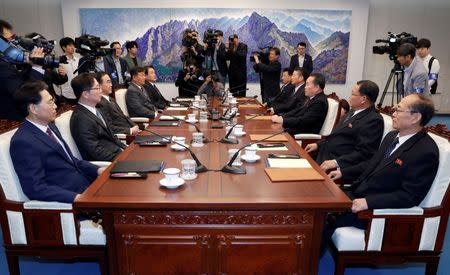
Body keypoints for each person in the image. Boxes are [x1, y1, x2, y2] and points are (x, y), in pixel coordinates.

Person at [322, 94, 439, 254]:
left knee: (321, 220)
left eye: (398, 109)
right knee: (318, 203)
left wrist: (368, 202)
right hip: (356, 193)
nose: (393, 113)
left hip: (375, 212)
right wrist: (343, 171)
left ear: (415, 117)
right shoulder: (392, 136)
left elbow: (410, 196)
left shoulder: (425, 151)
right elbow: (371, 166)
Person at [10, 80, 104, 203]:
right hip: (71, 203)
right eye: (50, 102)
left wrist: (98, 170)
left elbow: (71, 161)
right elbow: (35, 188)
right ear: (33, 108)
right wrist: (76, 198)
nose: (55, 106)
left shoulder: (51, 127)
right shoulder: (23, 141)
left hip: (88, 186)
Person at [305, 80, 384, 183]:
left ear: (363, 99)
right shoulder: (353, 111)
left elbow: (364, 153)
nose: (349, 96)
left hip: (337, 166)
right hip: (323, 154)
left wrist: (336, 162)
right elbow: (336, 136)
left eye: (352, 94)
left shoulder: (373, 120)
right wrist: (318, 145)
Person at [0, 20, 63, 120]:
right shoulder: (2, 66)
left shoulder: (8, 62)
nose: (13, 43)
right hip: (13, 123)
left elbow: (22, 81)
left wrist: (31, 64)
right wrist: (36, 66)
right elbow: (22, 94)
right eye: (9, 40)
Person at [70, 73, 126, 161]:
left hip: (118, 152)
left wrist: (126, 149)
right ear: (85, 94)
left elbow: (112, 136)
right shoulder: (80, 119)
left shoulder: (97, 109)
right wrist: (122, 157)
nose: (101, 90)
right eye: (97, 88)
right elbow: (96, 151)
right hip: (109, 164)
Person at [58, 37, 79, 105]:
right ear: (64, 47)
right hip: (67, 95)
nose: (73, 47)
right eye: (70, 45)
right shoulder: (59, 62)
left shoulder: (78, 60)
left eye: (73, 45)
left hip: (79, 93)